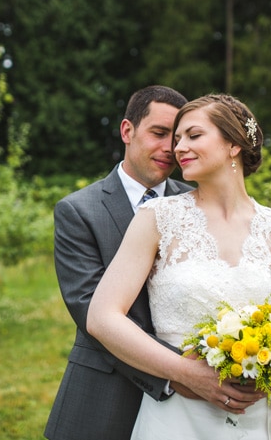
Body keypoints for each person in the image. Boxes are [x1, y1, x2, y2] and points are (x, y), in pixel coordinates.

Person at [86, 93, 271, 440]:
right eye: (177, 138)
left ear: (233, 145)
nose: (179, 147)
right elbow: (102, 316)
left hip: (257, 415)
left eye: (193, 136)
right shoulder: (158, 218)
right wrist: (185, 372)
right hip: (177, 415)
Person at [45, 85, 201, 440]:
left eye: (176, 138)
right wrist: (181, 373)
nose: (169, 149)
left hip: (193, 407)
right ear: (127, 131)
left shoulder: (196, 203)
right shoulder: (78, 210)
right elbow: (90, 312)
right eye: (159, 133)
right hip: (108, 393)